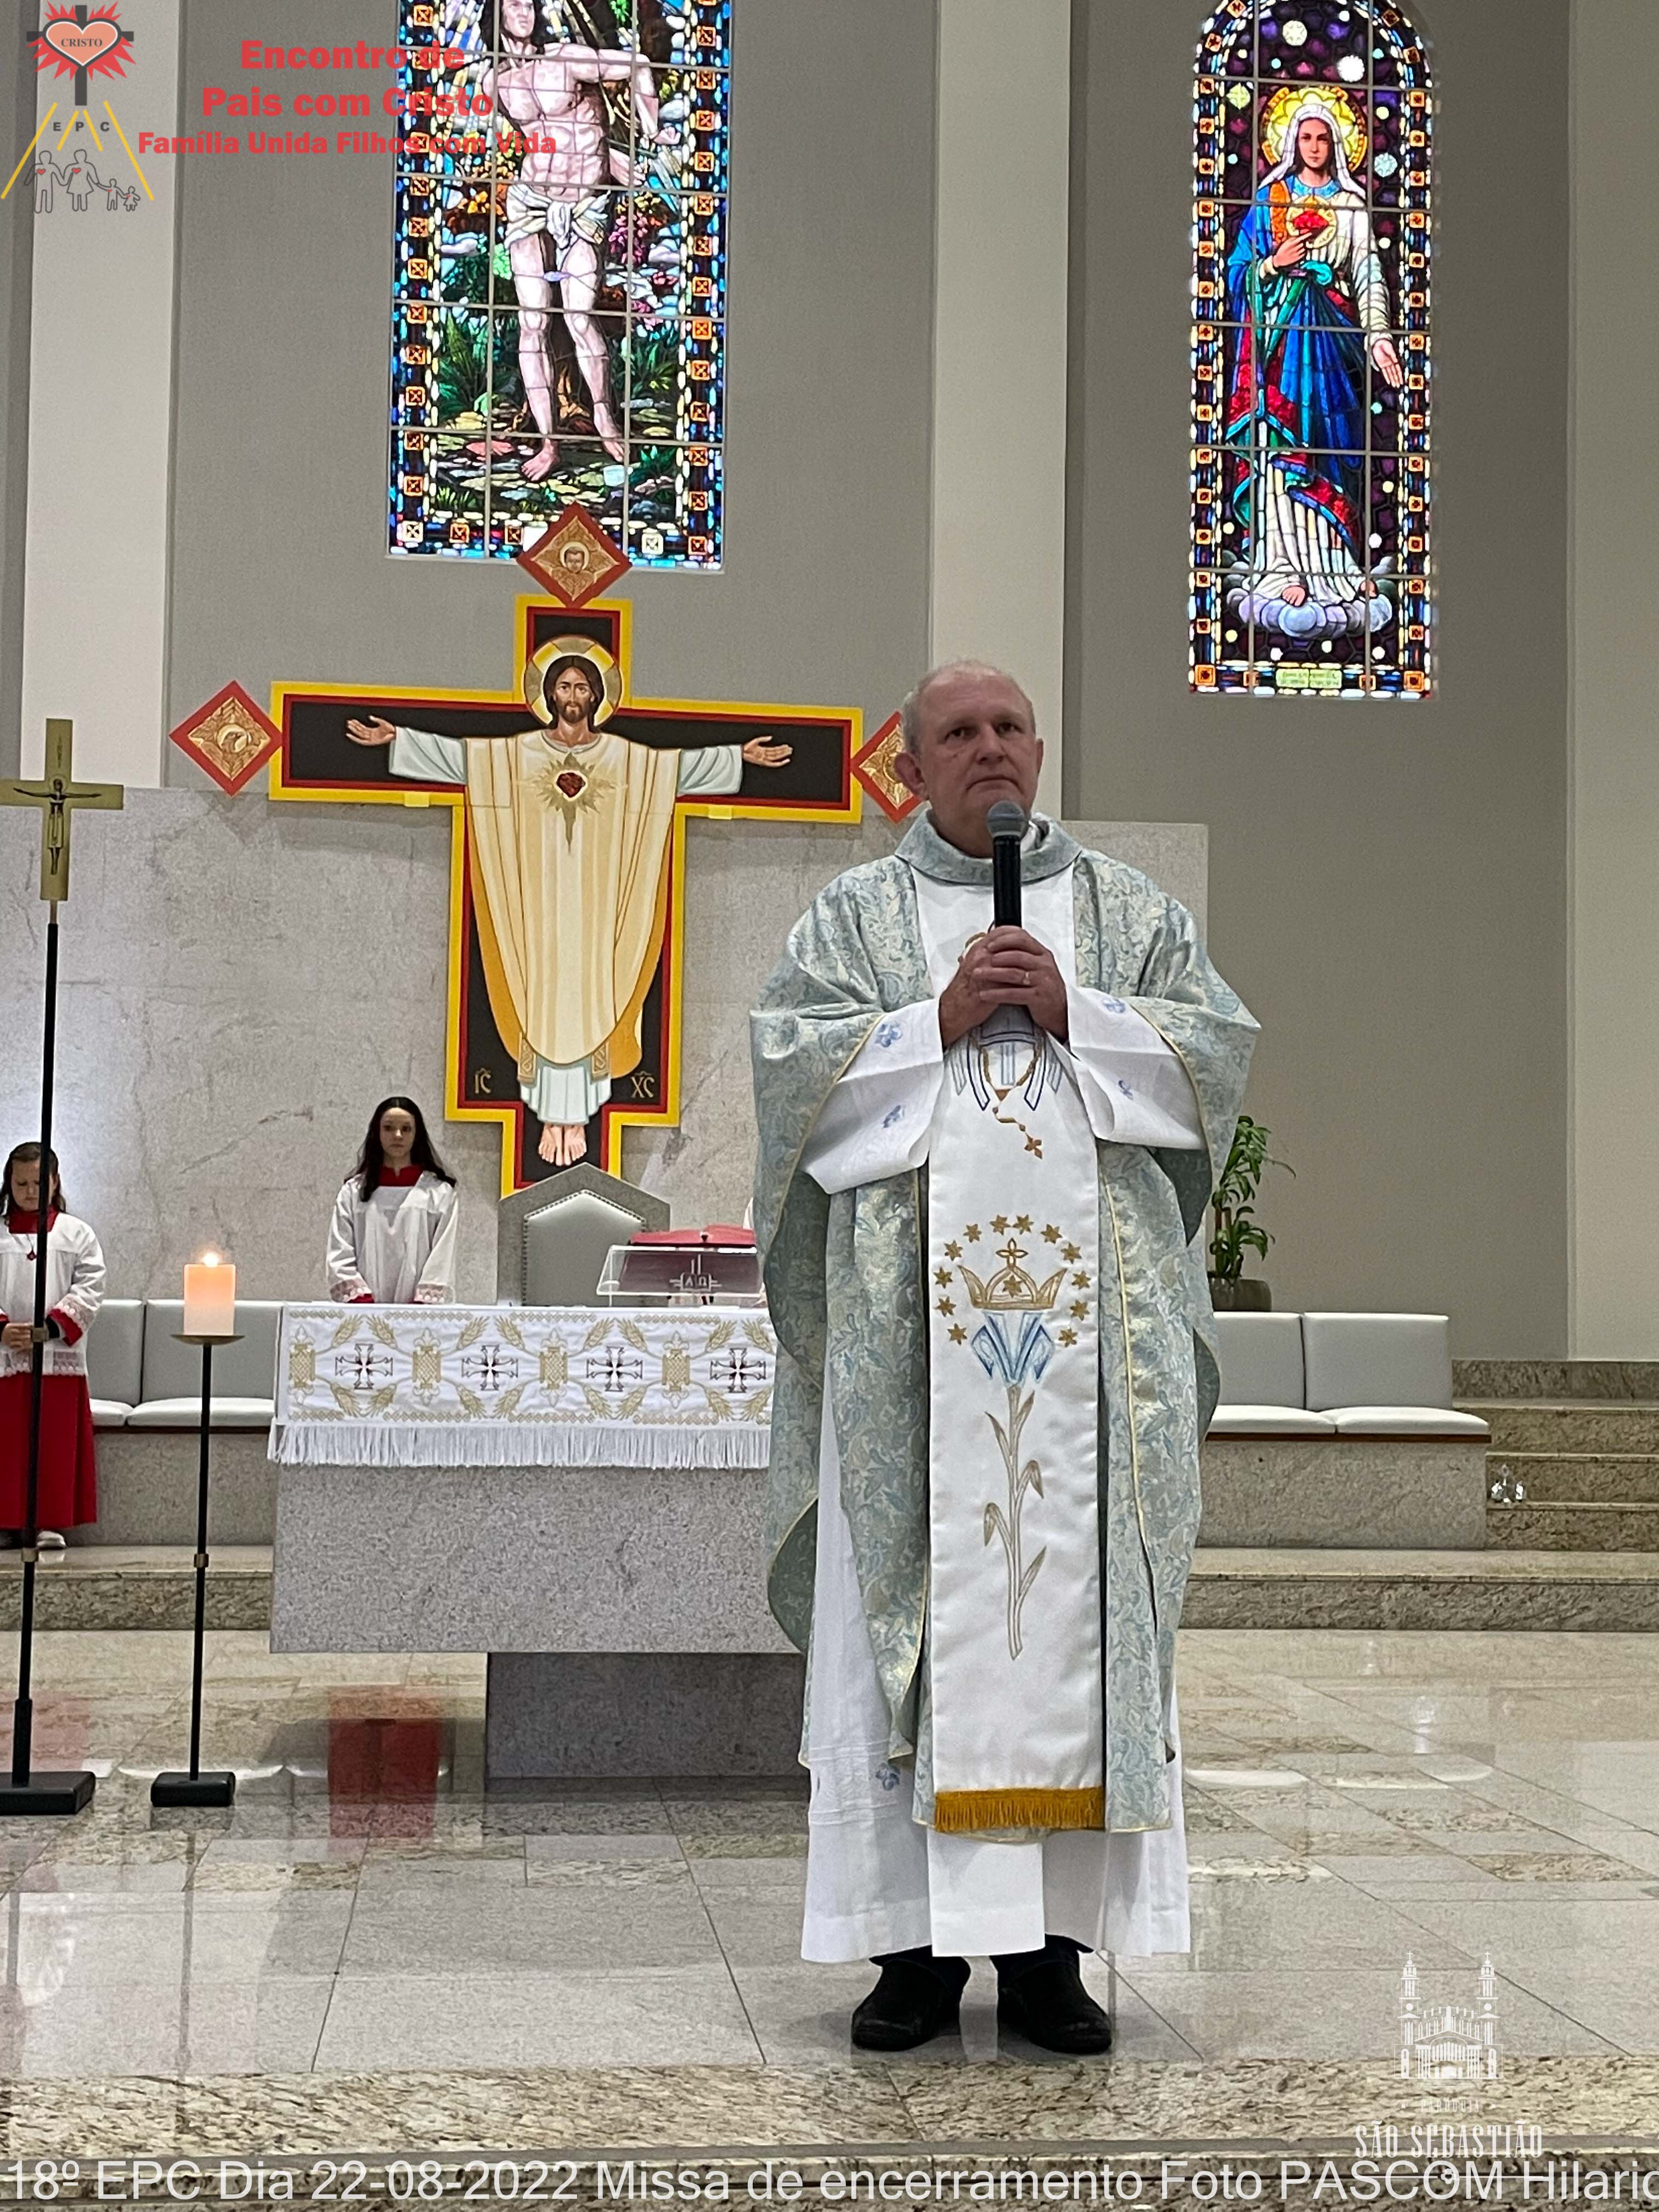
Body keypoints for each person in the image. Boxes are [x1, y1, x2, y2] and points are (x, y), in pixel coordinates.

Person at [751, 663, 1257, 2056]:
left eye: (1010, 728)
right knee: (900, 1633)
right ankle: (911, 1955)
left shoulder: (1129, 915)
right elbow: (792, 1095)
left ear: (1039, 751)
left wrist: (1084, 1011)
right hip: (907, 1373)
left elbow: (1216, 1064)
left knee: (1080, 1627)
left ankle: (1050, 1957)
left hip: (1098, 1367)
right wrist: (936, 1019)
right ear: (910, 767)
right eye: (958, 734)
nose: (990, 749)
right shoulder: (854, 920)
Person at [347, 646, 791, 1169]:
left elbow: (675, 769)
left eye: (582, 688)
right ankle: (552, 1117)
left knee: (593, 991)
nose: (572, 697)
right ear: (549, 694)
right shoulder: (518, 755)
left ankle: (576, 1118)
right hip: (536, 907)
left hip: (598, 907)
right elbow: (466, 760)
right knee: (541, 992)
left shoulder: (623, 758)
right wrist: (401, 740)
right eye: (564, 687)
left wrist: (738, 757)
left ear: (596, 696)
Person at [1223, 93, 1406, 642]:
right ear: (1291, 143)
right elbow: (1237, 274)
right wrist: (1272, 264)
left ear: (1337, 145)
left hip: (1331, 349)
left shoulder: (1350, 205)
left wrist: (1380, 339)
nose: (1315, 146)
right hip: (1278, 349)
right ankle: (1281, 568)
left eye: (1324, 138)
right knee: (1280, 451)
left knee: (1331, 453)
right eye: (1305, 137)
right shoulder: (1270, 200)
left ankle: (1335, 568)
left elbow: (1368, 274)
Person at [487, 0, 667, 476]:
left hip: (584, 203)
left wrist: (649, 132)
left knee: (579, 315)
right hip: (530, 201)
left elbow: (636, 64)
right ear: (497, 14)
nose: (525, 12)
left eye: (530, 3)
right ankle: (549, 444)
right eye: (514, 4)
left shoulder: (567, 57)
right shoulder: (495, 83)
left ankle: (605, 416)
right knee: (532, 321)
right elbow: (528, 139)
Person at [0, 1144, 105, 1550]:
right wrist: (3, 1330)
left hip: (56, 1356)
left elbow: (91, 1285)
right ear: (9, 1184)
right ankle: (6, 1522)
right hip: (6, 1355)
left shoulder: (77, 1234)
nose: (30, 1192)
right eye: (21, 1183)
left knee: (51, 1443)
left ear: (55, 1182)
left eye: (38, 1183)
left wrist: (51, 1327)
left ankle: (47, 1522)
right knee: (7, 1445)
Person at [327, 1098, 459, 1305]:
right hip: (365, 1312)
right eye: (389, 1128)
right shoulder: (353, 1192)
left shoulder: (438, 1193)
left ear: (417, 1135)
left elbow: (443, 1254)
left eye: (406, 1129)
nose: (398, 1135)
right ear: (377, 1132)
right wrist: (362, 1301)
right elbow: (340, 1248)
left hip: (421, 1315)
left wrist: (424, 1303)